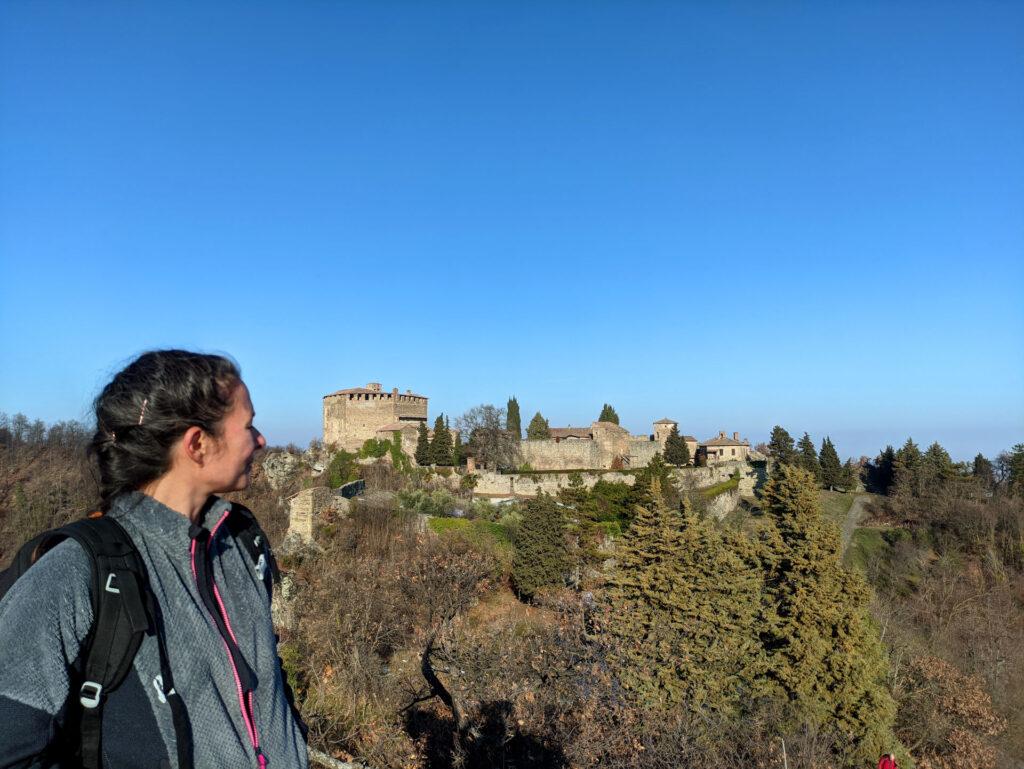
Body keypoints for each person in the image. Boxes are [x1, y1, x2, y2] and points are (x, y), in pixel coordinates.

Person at [0, 350, 308, 768]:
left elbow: (264, 685)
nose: (261, 439)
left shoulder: (239, 541)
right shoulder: (77, 572)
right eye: (248, 425)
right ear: (198, 444)